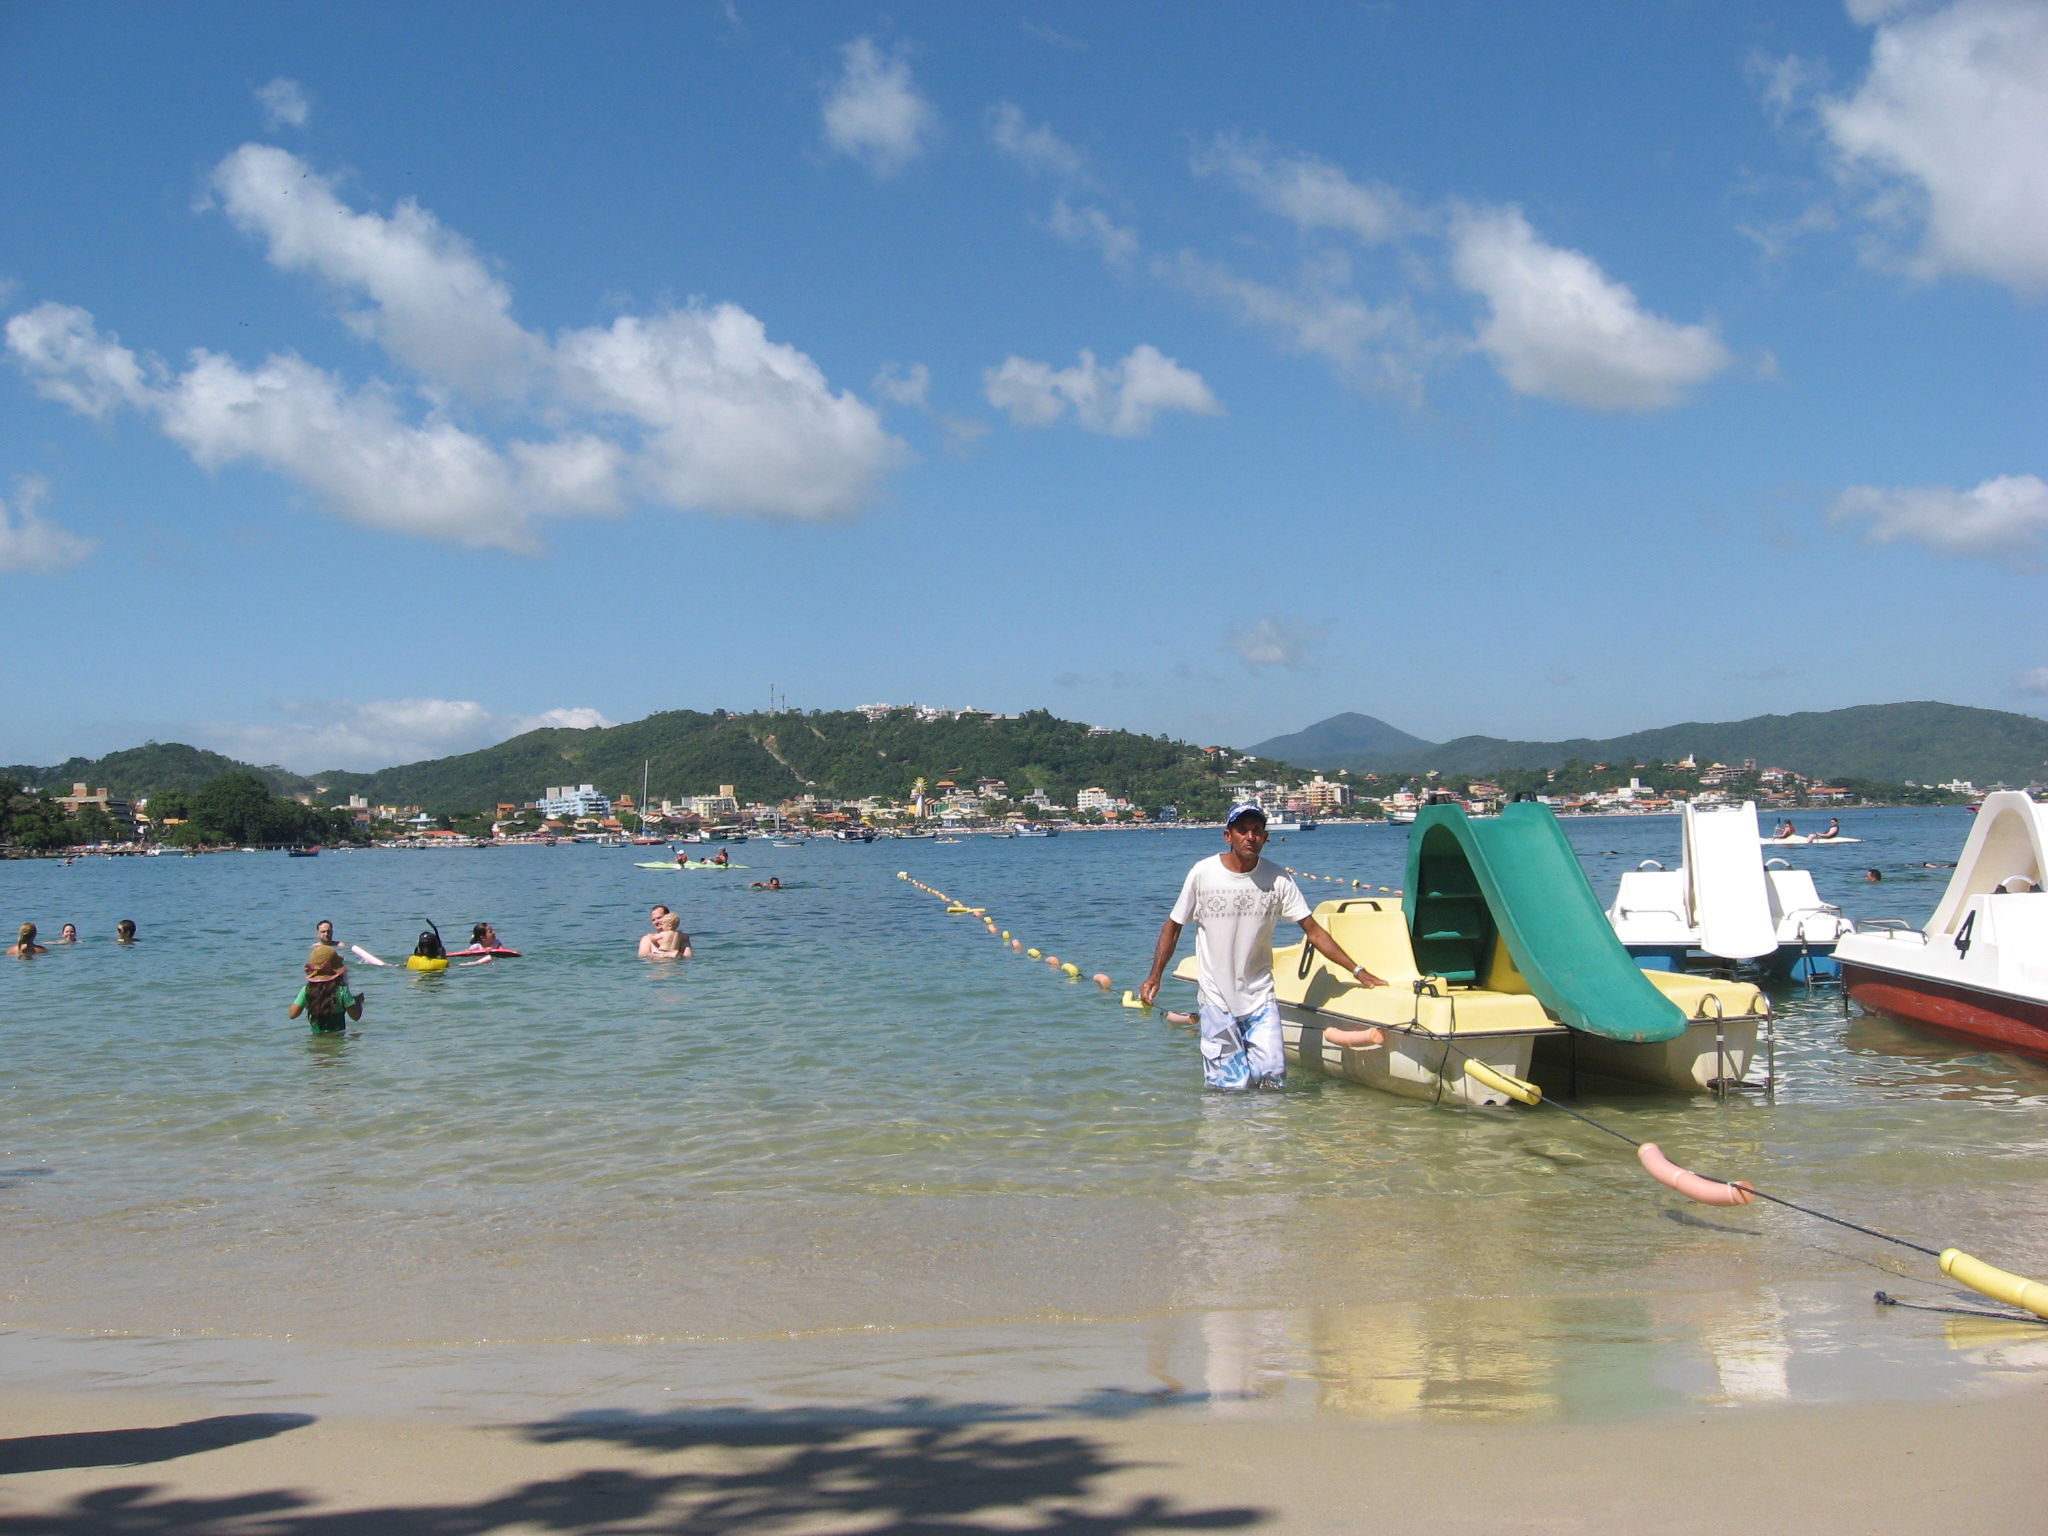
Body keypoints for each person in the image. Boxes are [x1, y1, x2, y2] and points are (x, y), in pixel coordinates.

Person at [1139, 802, 1388, 1090]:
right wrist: (1155, 975)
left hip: (1259, 997)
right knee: (1228, 1087)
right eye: (1242, 830)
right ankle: (1227, 1135)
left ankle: (1265, 1134)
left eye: (1256, 831)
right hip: (1216, 998)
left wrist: (1359, 971)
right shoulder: (1203, 873)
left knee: (1271, 1080)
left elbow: (1313, 931)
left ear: (1266, 837)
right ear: (1227, 835)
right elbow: (1174, 925)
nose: (1250, 836)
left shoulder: (1278, 879)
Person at [287, 943, 364, 1032]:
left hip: (316, 1042)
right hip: (338, 1041)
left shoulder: (307, 990)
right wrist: (358, 1002)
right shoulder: (342, 991)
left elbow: (292, 1015)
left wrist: (307, 1001)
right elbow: (356, 1017)